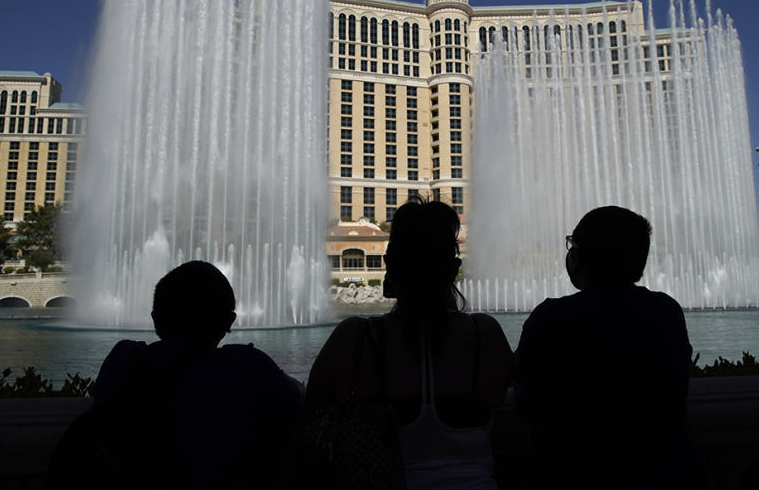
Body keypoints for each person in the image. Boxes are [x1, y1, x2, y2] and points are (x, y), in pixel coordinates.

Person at [307, 199, 513, 489]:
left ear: (389, 264)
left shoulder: (355, 339)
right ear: (454, 268)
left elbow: (310, 415)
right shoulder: (484, 334)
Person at [50, 260, 300, 490]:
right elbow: (297, 402)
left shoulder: (125, 358)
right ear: (229, 321)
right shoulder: (248, 366)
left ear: (155, 318)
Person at [515, 206, 696, 489]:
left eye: (572, 245)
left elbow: (527, 402)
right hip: (664, 476)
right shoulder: (666, 312)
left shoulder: (552, 319)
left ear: (579, 257)